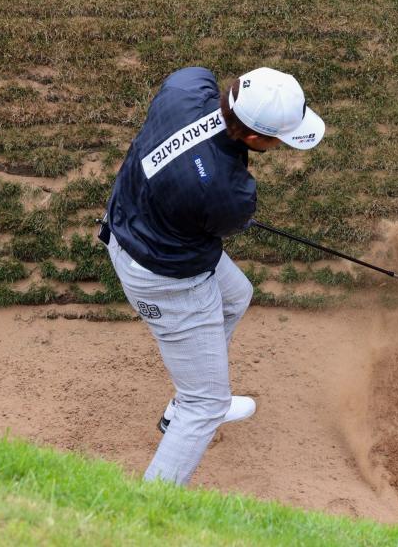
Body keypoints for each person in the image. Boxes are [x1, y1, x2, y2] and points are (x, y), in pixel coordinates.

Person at [100, 66, 325, 485]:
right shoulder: (229, 193)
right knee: (206, 404)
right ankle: (146, 512)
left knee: (236, 294)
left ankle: (180, 405)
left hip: (133, 223)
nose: (281, 146)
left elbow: (190, 87)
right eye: (280, 139)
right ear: (255, 139)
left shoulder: (186, 88)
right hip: (164, 278)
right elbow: (225, 217)